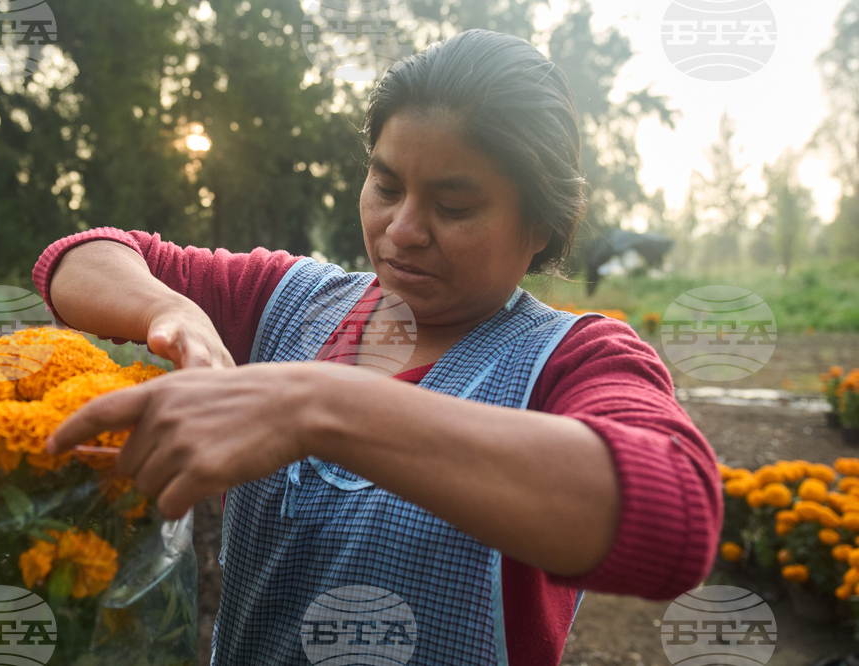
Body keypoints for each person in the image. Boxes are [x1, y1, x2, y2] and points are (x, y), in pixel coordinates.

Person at [36, 29, 723, 666]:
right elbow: (78, 260)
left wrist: (320, 407)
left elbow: (678, 520)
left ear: (540, 223)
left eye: (452, 208)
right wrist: (171, 310)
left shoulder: (570, 359)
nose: (402, 229)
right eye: (386, 186)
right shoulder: (292, 302)